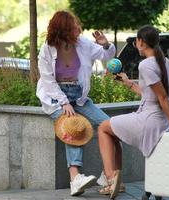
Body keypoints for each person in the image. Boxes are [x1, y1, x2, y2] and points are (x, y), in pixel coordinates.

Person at [97, 25, 169, 199]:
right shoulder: (164, 61)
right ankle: (117, 182)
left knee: (103, 128)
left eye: (135, 42)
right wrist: (128, 83)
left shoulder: (146, 65)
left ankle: (111, 179)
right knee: (112, 132)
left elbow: (163, 98)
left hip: (149, 121)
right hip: (155, 118)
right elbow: (153, 95)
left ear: (141, 42)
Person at [36, 10, 116, 196]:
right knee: (73, 125)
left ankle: (107, 176)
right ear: (63, 29)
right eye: (73, 26)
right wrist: (64, 103)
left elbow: (106, 56)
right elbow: (47, 79)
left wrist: (106, 46)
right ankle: (75, 178)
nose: (78, 29)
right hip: (55, 97)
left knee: (108, 125)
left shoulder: (83, 43)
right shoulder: (47, 48)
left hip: (79, 96)